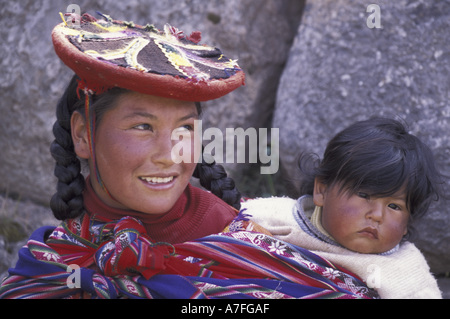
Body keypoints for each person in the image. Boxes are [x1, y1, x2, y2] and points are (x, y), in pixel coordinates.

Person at [0, 12, 379, 300]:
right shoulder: (51, 265)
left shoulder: (247, 243)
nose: (170, 156)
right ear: (84, 134)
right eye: (143, 127)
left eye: (185, 129)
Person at [244, 117, 444, 298]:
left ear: (407, 223)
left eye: (394, 206)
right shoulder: (274, 218)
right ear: (321, 190)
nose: (377, 215)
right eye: (364, 195)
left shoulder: (406, 273)